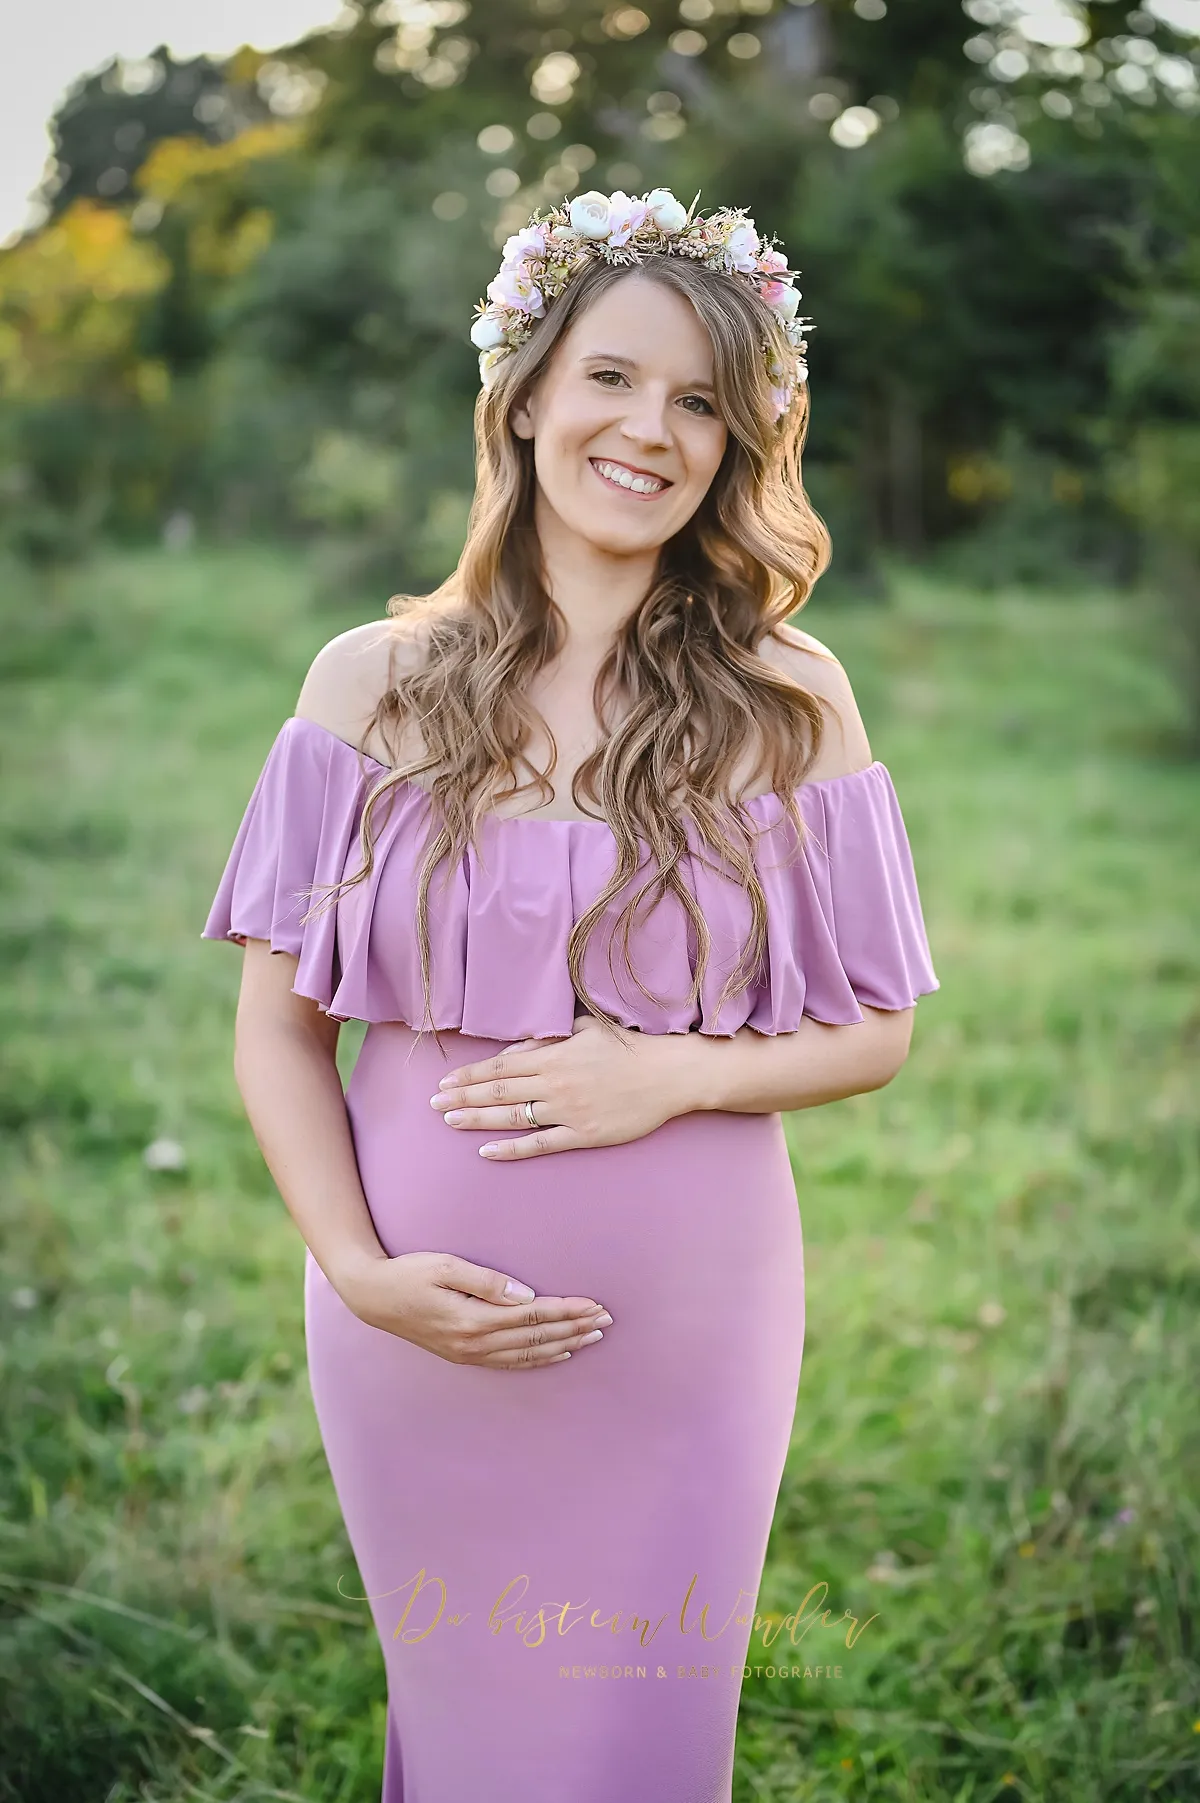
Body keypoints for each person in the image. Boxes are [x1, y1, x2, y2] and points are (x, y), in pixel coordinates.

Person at [201, 186, 939, 1803]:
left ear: (738, 442)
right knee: (477, 1744)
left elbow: (879, 1030)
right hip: (418, 1331)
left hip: (690, 1333)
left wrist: (673, 1073)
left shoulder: (790, 699)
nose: (650, 430)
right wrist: (359, 1270)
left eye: (700, 402)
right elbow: (278, 1029)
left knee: (637, 1749)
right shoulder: (369, 685)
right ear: (526, 394)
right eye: (612, 377)